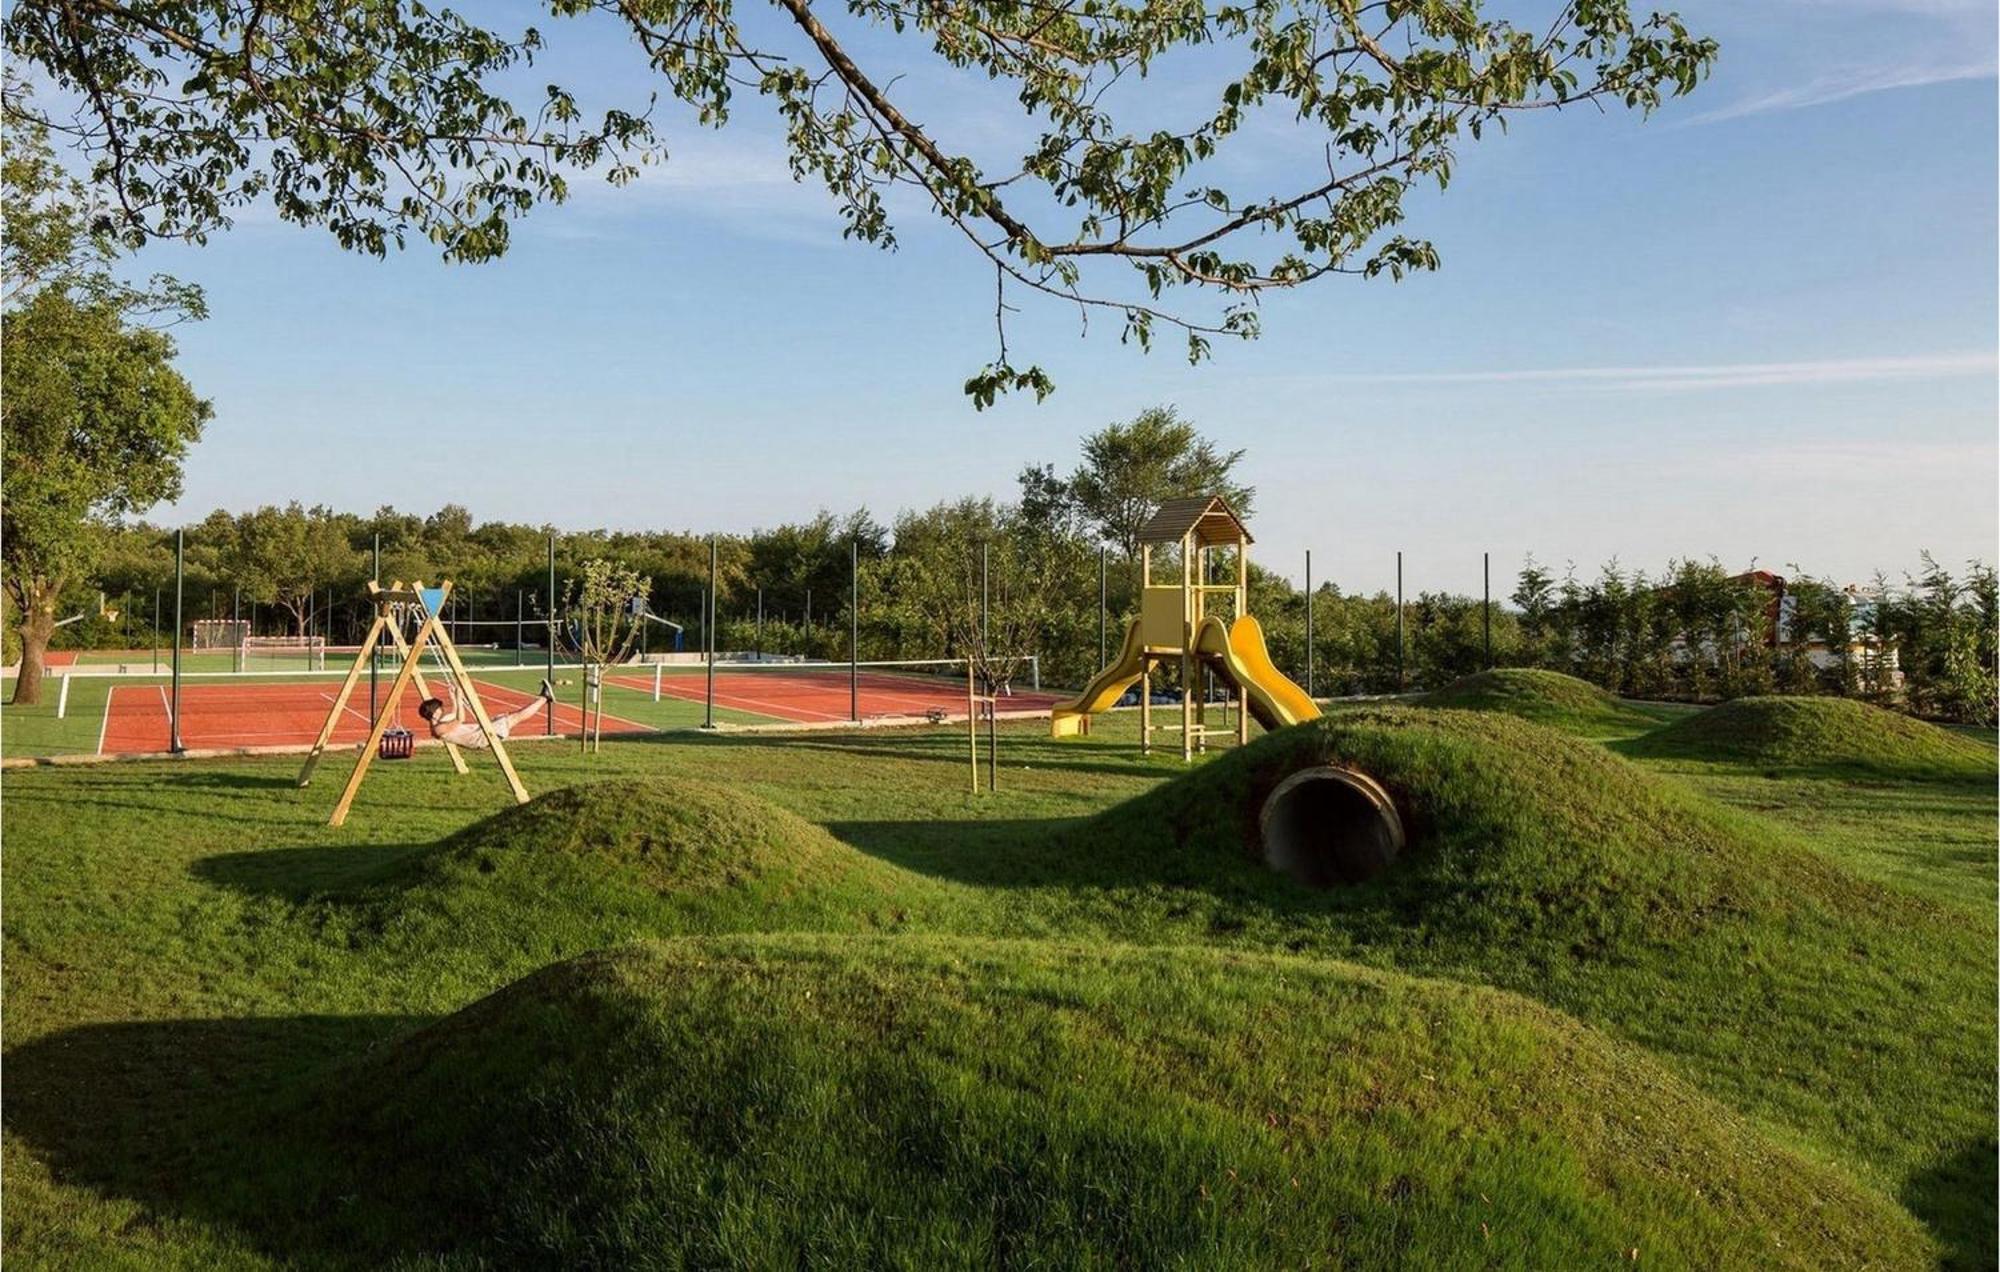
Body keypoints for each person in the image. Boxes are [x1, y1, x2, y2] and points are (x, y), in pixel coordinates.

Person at [417, 679, 555, 749]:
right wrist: (460, 698)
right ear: (434, 713)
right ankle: (544, 698)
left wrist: (454, 697)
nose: (442, 709)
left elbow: (454, 713)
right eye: (439, 708)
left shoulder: (440, 722)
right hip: (481, 738)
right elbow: (460, 718)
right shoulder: (438, 729)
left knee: (506, 716)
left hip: (480, 732)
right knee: (515, 717)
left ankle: (543, 698)